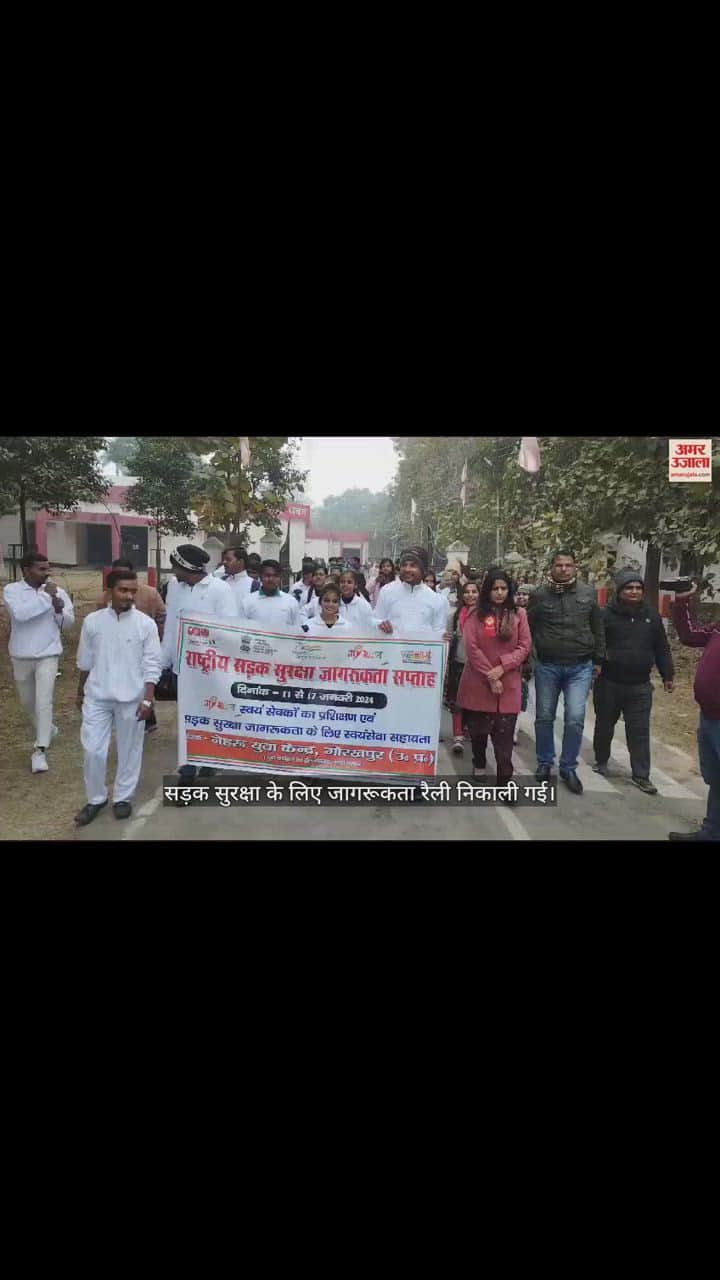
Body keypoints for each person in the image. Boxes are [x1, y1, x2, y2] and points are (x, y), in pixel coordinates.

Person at [74, 569, 163, 825]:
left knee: (130, 750)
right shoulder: (93, 621)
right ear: (109, 589)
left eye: (133, 591)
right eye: (123, 590)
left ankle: (123, 797)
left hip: (132, 699)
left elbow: (152, 664)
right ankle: (96, 798)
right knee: (93, 750)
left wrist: (148, 699)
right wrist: (81, 692)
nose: (128, 595)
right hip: (97, 696)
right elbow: (85, 661)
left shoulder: (145, 624)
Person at [528, 549, 605, 794]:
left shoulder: (587, 592)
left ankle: (568, 767)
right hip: (547, 665)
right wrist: (531, 658)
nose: (563, 569)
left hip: (580, 666)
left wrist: (599, 659)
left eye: (568, 565)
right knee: (544, 716)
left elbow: (598, 627)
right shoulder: (539, 595)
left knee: (574, 718)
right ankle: (544, 762)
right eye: (559, 565)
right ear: (551, 567)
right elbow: (528, 627)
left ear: (575, 568)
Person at [592, 568, 674, 794]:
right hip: (609, 682)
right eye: (629, 587)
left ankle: (641, 774)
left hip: (640, 686)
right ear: (619, 591)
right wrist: (597, 663)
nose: (634, 591)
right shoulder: (605, 615)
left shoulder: (651, 616)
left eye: (638, 588)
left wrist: (668, 675)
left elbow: (662, 647)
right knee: (604, 725)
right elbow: (596, 643)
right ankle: (601, 761)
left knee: (639, 731)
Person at [161, 544, 239, 783]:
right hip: (181, 668)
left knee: (209, 716)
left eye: (176, 565)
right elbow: (171, 626)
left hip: (209, 670)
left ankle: (208, 760)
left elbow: (229, 628)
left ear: (187, 566)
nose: (174, 571)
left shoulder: (220, 590)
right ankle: (187, 769)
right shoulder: (175, 588)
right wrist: (164, 662)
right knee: (186, 717)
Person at [456, 570, 531, 800]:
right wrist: (491, 674)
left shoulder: (519, 614)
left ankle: (504, 782)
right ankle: (478, 762)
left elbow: (525, 645)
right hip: (479, 681)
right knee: (478, 731)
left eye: (503, 588)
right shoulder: (475, 615)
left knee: (504, 737)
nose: (499, 593)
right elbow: (472, 647)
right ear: (487, 590)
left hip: (508, 683)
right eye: (495, 588)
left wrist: (503, 667)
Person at [3, 551, 75, 773]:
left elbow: (68, 624)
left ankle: (40, 749)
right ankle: (49, 729)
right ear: (26, 570)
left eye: (48, 568)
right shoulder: (12, 591)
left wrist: (59, 608)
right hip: (21, 654)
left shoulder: (58, 592)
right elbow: (22, 615)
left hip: (48, 653)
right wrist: (47, 598)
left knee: (44, 701)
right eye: (41, 569)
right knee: (29, 703)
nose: (47, 573)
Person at [668, 583, 720, 841]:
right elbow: (690, 634)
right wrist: (682, 601)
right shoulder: (718, 629)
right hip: (709, 716)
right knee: (716, 778)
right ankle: (711, 833)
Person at [95, 557, 166, 735]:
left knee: (145, 680)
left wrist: (159, 639)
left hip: (145, 645)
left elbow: (162, 616)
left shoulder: (150, 593)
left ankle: (148, 715)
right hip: (118, 649)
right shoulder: (105, 597)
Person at [372, 546, 449, 638]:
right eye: (404, 565)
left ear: (423, 569)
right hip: (392, 650)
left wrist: (444, 637)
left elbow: (439, 631)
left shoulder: (436, 599)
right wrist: (381, 625)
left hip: (421, 651)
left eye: (413, 565)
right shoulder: (387, 591)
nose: (407, 569)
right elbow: (376, 620)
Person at [446, 580, 480, 754]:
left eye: (474, 592)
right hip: (458, 663)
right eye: (467, 592)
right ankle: (457, 736)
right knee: (457, 701)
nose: (470, 595)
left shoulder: (485, 615)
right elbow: (449, 636)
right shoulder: (456, 614)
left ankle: (471, 732)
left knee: (474, 703)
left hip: (478, 666)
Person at [241, 559, 301, 626]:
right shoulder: (248, 601)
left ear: (280, 578)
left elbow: (297, 631)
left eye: (275, 576)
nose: (271, 579)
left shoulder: (291, 602)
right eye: (267, 575)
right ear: (260, 577)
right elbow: (242, 630)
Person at [513, 585, 534, 745]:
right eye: (519, 594)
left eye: (525, 594)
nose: (521, 597)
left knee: (521, 697)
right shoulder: (511, 612)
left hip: (526, 662)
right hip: (511, 660)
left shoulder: (535, 615)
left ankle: (513, 729)